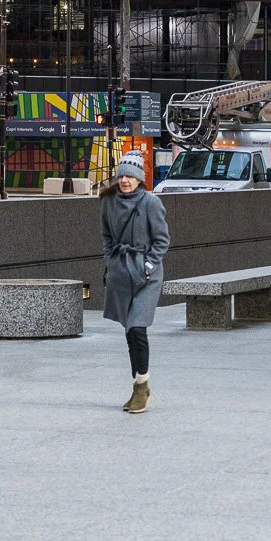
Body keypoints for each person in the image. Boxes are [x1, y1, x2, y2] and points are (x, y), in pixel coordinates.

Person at [101, 151, 170, 414]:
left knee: (137, 327)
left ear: (140, 179)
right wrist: (111, 261)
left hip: (147, 275)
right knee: (129, 331)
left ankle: (142, 388)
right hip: (122, 272)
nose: (125, 180)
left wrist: (149, 265)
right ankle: (138, 386)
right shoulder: (108, 201)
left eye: (130, 176)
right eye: (122, 176)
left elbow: (162, 240)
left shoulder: (151, 203)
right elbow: (106, 236)